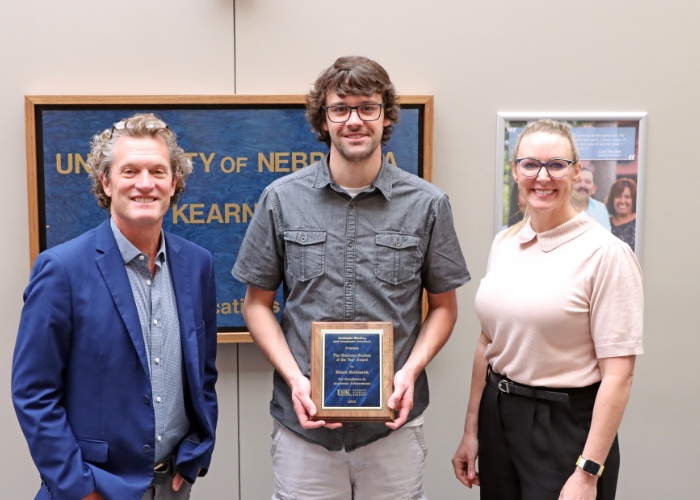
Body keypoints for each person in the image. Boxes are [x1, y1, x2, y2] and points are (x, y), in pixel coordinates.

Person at [232, 55, 470, 499]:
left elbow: (443, 308)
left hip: (393, 431)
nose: (353, 120)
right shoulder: (280, 199)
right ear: (323, 119)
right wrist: (295, 380)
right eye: (340, 109)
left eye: (367, 107)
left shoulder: (428, 204)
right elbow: (257, 304)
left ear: (386, 116)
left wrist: (410, 371)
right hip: (303, 428)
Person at [12, 113, 219, 500]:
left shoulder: (197, 264)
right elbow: (34, 393)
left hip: (174, 486)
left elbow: (203, 374)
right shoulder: (62, 270)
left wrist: (196, 452)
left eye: (158, 171)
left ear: (175, 183)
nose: (145, 183)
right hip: (95, 489)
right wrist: (80, 489)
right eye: (130, 171)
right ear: (106, 182)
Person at [452, 119, 643, 499]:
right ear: (515, 171)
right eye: (530, 164)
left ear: (575, 172)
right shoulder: (505, 242)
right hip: (499, 413)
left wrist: (588, 471)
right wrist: (472, 431)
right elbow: (488, 341)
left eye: (556, 164)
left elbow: (619, 373)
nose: (543, 176)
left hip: (564, 425)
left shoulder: (607, 254)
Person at [572, 166, 612, 230]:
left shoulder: (600, 208)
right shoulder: (561, 208)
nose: (582, 185)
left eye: (587, 182)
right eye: (578, 181)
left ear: (594, 189)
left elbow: (606, 236)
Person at [606, 177, 637, 251]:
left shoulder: (640, 223)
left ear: (634, 200)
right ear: (612, 199)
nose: (622, 201)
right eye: (618, 196)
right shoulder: (605, 223)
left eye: (627, 197)